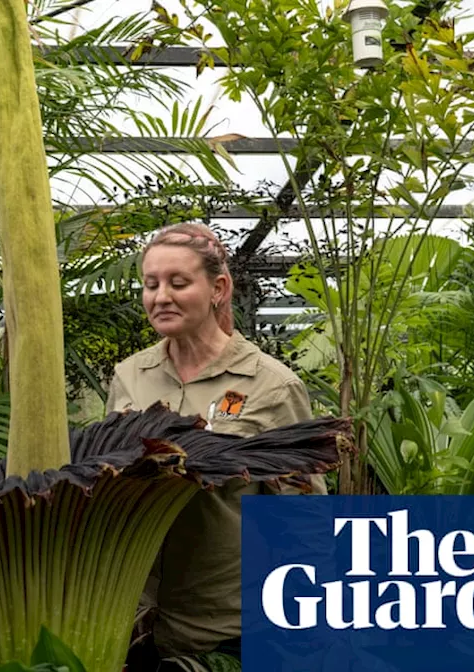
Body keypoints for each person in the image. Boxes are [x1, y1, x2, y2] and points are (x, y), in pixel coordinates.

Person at [107, 222, 325, 670]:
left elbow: (305, 520)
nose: (160, 296)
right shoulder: (130, 376)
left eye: (178, 282)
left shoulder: (271, 386)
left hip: (230, 636)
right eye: (151, 284)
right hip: (134, 629)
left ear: (218, 288)